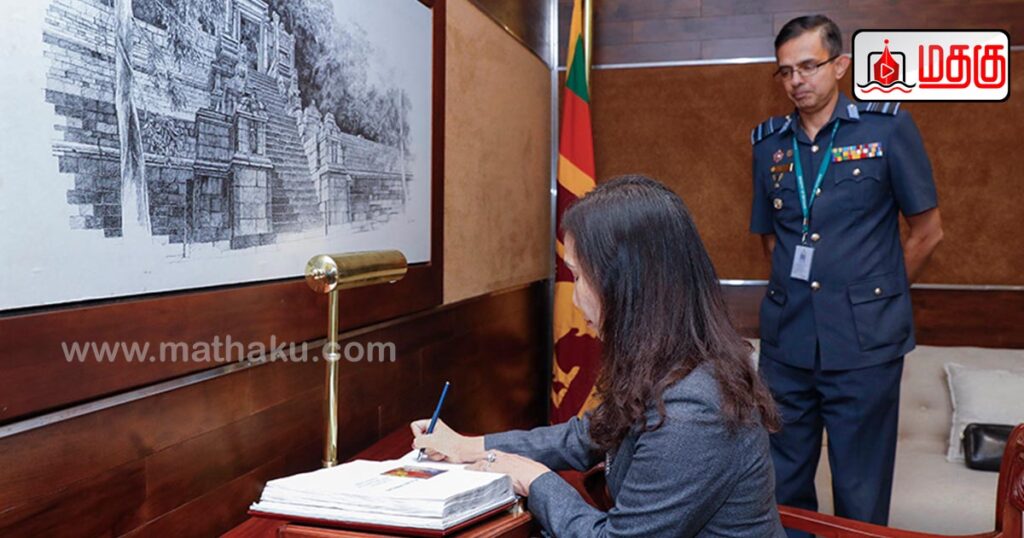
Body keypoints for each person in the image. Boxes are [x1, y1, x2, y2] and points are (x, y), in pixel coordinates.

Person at [412, 175, 786, 537]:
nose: (575, 300)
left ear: (626, 284)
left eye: (578, 276)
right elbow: (585, 436)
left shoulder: (693, 408)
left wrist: (535, 479)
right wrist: (469, 446)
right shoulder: (670, 361)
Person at [749, 15, 944, 536]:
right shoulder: (768, 145)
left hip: (865, 345)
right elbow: (772, 240)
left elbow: (928, 232)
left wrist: (875, 296)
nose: (797, 81)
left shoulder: (887, 129)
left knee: (860, 489)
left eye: (808, 66)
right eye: (786, 71)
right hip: (787, 344)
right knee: (782, 486)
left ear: (840, 66)